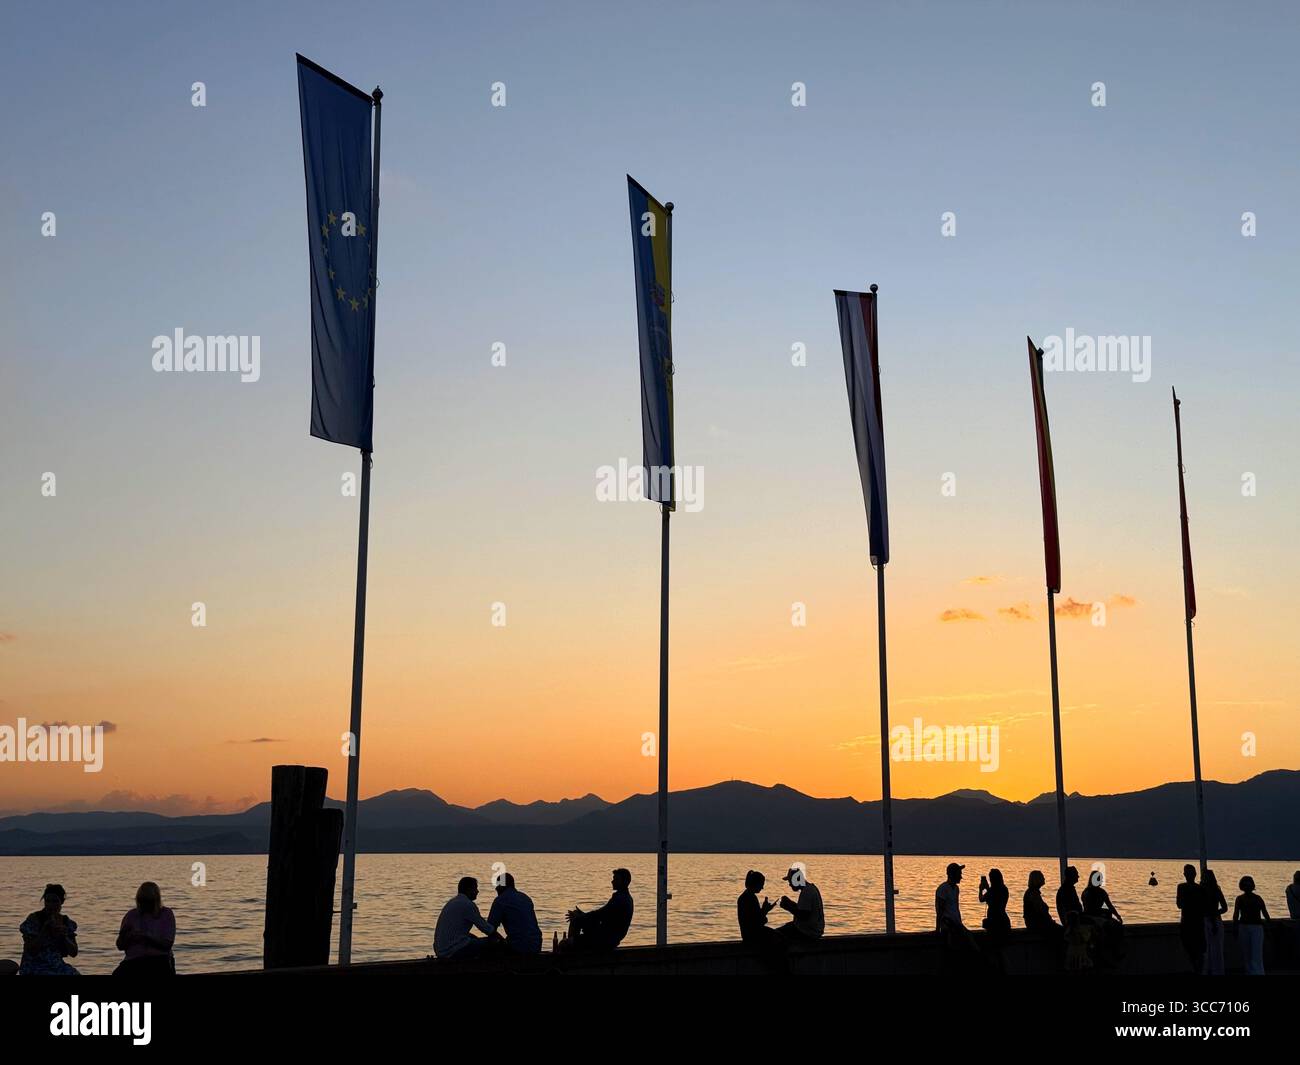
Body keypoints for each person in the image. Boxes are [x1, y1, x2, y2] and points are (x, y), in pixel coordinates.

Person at [114, 881, 176, 975]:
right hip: (133, 960)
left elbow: (167, 944)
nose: (145, 904)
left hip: (158, 960)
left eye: (148, 901)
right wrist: (125, 936)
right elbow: (120, 946)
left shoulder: (166, 914)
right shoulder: (131, 915)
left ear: (155, 900)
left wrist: (145, 937)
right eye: (142, 901)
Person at [434, 877, 503, 960]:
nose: (477, 891)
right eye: (475, 888)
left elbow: (456, 931)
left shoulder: (453, 902)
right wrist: (502, 941)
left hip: (440, 950)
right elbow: (486, 928)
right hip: (452, 951)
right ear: (468, 889)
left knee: (475, 939)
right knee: (493, 943)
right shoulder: (467, 905)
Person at [564, 868, 633, 952]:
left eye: (616, 879)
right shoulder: (623, 897)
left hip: (605, 940)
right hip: (606, 935)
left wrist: (581, 916)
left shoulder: (621, 899)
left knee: (564, 944)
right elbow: (601, 915)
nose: (612, 881)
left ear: (625, 882)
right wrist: (582, 915)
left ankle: (573, 947)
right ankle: (575, 945)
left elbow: (600, 915)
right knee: (576, 918)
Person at [18, 884, 79, 975]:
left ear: (61, 902)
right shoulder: (34, 919)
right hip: (34, 966)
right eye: (48, 901)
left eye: (55, 901)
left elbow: (73, 953)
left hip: (56, 965)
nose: (51, 905)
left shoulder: (66, 922)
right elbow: (31, 950)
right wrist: (44, 931)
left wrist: (64, 937)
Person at [485, 873, 542, 955]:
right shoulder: (525, 898)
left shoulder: (500, 901)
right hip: (536, 944)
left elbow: (490, 928)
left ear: (502, 886)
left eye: (497, 886)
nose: (496, 889)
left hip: (518, 946)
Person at [1232, 876, 1270, 975]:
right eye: (1245, 884)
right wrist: (1235, 927)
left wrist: (1268, 924)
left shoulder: (1257, 898)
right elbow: (1236, 915)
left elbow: (1265, 913)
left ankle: (1258, 972)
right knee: (1247, 954)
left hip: (1256, 928)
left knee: (1256, 954)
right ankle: (1251, 972)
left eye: (1248, 884)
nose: (1247, 886)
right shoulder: (1241, 899)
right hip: (1244, 927)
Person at [777, 865, 825, 942]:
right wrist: (791, 903)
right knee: (785, 927)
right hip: (814, 930)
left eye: (790, 881)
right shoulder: (811, 888)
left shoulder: (806, 892)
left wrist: (787, 907)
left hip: (808, 932)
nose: (789, 884)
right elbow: (804, 910)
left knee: (775, 934)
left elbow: (804, 916)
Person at [1175, 864, 1206, 975]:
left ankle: (1196, 970)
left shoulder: (1182, 887)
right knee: (1197, 951)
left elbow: (1179, 904)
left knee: (1192, 950)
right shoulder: (1200, 888)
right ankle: (1198, 970)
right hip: (1196, 922)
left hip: (1189, 922)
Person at [1201, 869, 1228, 975]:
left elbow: (1224, 907)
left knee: (1216, 949)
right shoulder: (1201, 890)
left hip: (1214, 920)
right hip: (1205, 920)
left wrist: (1214, 913)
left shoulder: (1216, 891)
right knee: (1207, 950)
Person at [1022, 870, 1059, 935]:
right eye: (1042, 877)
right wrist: (1050, 922)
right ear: (1037, 879)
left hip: (1037, 923)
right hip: (1036, 925)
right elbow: (1040, 911)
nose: (1044, 878)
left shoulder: (1033, 892)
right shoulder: (1032, 893)